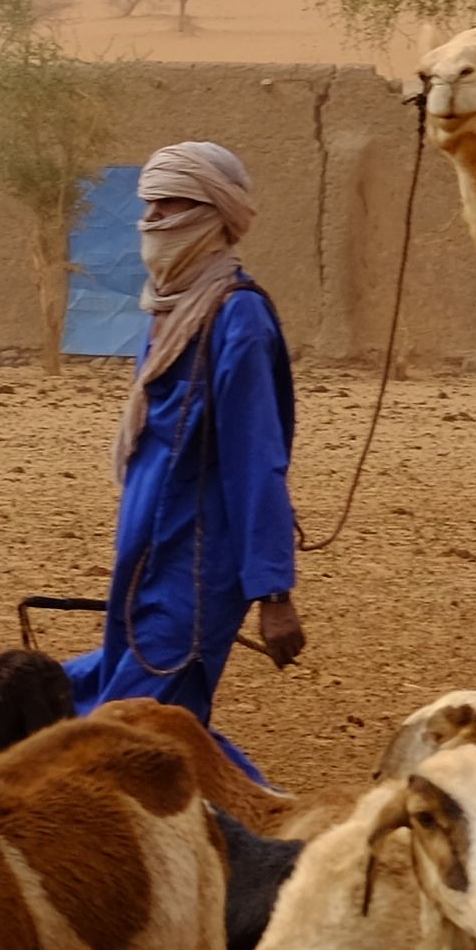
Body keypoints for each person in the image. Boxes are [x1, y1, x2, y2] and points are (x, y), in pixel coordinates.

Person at [82, 140, 300, 781]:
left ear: (213, 215)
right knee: (143, 725)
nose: (153, 225)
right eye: (148, 209)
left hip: (198, 568)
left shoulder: (238, 318)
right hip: (144, 555)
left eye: (172, 208)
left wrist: (274, 592)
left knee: (139, 729)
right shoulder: (170, 311)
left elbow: (255, 462)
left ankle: (270, 832)